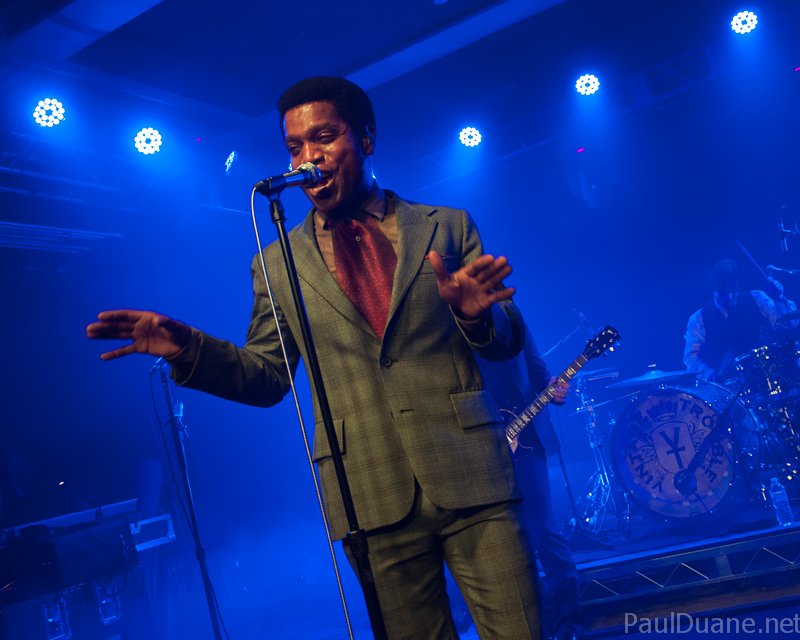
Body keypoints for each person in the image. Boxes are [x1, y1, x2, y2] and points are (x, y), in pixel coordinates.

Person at [87, 77, 542, 639]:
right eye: (294, 146)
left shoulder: (446, 225)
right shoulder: (277, 262)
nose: (307, 158)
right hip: (368, 494)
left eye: (323, 138)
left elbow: (507, 340)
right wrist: (191, 350)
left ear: (367, 139)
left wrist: (476, 317)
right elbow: (266, 376)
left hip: (472, 476)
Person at [476, 324, 584, 640]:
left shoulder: (512, 322)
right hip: (481, 448)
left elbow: (539, 376)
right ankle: (537, 626)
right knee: (508, 541)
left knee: (544, 532)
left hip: (527, 442)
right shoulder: (450, 328)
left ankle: (569, 624)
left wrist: (555, 390)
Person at [684, 259, 797, 381]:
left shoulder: (757, 299)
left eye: (733, 291)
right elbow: (691, 357)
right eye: (722, 293)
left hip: (766, 377)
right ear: (713, 289)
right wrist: (709, 374)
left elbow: (790, 324)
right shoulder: (699, 318)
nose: (729, 297)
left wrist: (778, 298)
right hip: (726, 386)